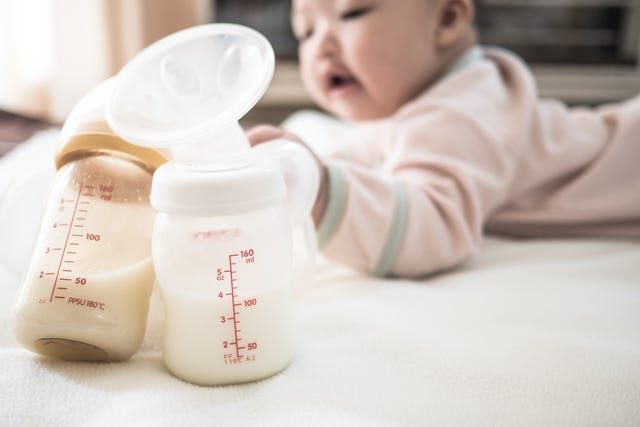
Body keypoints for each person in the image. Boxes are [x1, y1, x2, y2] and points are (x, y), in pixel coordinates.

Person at [247, 0, 640, 278]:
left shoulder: (462, 107)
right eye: (306, 31)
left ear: (448, 17)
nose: (320, 48)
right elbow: (374, 149)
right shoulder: (423, 105)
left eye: (352, 12)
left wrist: (323, 192)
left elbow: (432, 224)